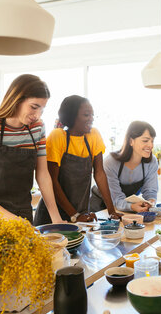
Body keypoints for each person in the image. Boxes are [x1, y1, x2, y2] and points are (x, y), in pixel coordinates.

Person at [0, 74, 64, 232]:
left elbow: (43, 175)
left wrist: (56, 219)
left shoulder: (37, 128)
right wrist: (11, 220)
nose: (37, 115)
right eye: (34, 107)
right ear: (16, 99)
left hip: (23, 216)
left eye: (42, 109)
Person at [34, 95, 120, 224]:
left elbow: (100, 174)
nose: (91, 119)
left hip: (80, 213)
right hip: (53, 216)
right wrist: (74, 215)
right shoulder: (57, 136)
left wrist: (111, 211)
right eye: (86, 115)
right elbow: (52, 181)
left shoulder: (93, 135)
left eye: (92, 115)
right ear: (72, 116)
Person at [90, 121, 158, 212]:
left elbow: (150, 192)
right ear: (131, 141)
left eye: (152, 141)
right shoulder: (111, 162)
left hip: (123, 207)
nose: (151, 145)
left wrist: (150, 203)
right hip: (100, 206)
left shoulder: (152, 162)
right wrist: (132, 207)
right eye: (145, 140)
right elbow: (116, 198)